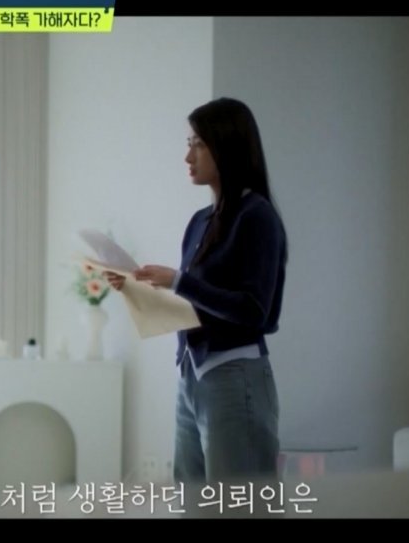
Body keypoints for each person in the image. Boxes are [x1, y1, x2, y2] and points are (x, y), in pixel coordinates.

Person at [107, 97, 287, 484]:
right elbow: (194, 305)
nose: (188, 156)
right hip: (193, 375)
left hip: (234, 376)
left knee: (237, 505)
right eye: (189, 144)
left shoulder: (257, 216)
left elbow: (254, 311)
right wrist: (135, 289)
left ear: (227, 147)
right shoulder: (200, 221)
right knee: (191, 500)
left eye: (199, 144)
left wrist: (178, 280)